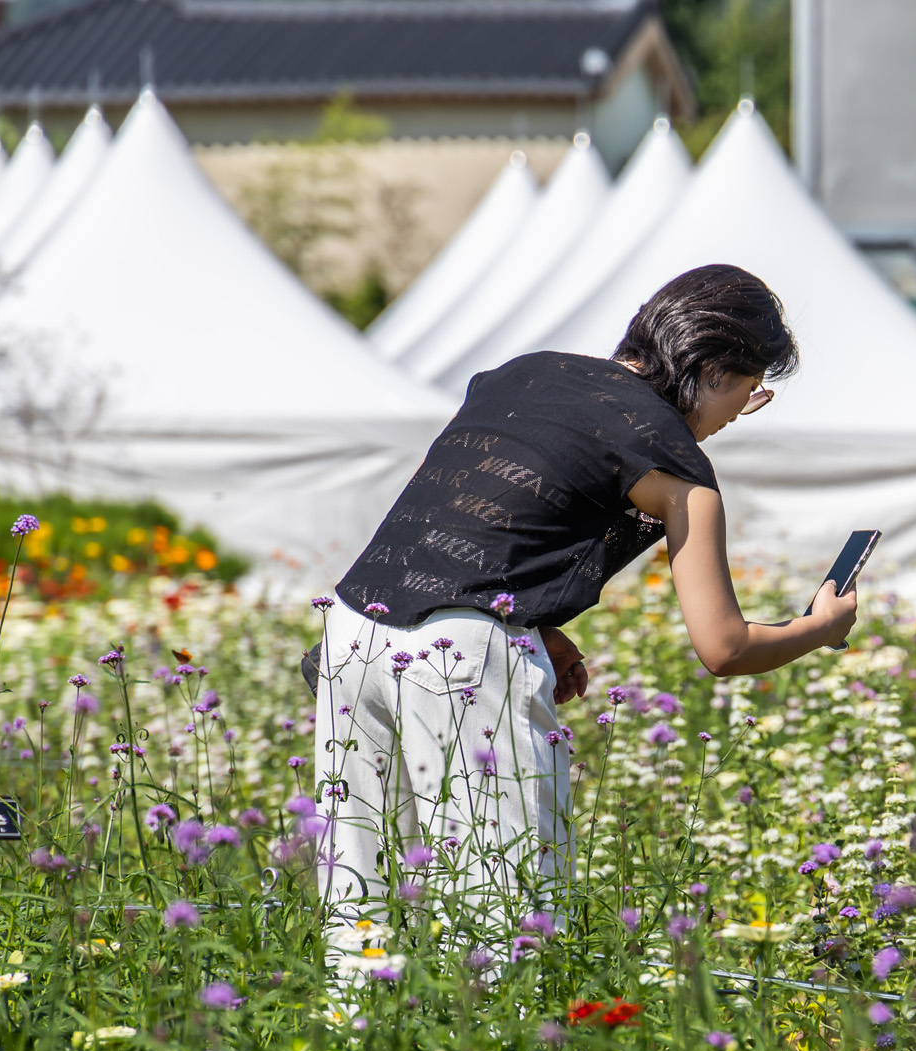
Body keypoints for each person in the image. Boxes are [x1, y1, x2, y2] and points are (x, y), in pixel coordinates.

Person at [310, 264, 856, 939]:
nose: (741, 411)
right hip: (462, 663)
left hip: (352, 630)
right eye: (750, 391)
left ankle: (354, 1039)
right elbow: (725, 647)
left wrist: (537, 626)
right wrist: (819, 626)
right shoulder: (679, 463)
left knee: (358, 908)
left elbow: (475, 521)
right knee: (504, 922)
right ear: (715, 370)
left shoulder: (522, 373)